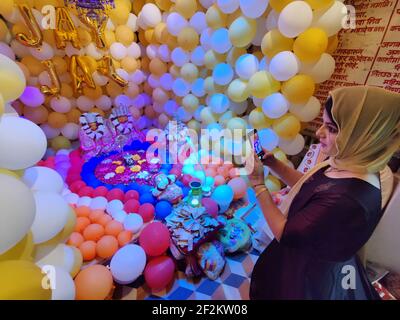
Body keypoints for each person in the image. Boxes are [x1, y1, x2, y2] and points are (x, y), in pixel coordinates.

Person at [248, 86, 400, 300]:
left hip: (311, 279)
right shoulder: (347, 161)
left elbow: (285, 233)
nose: (319, 132)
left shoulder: (347, 198)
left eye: (331, 128)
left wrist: (258, 186)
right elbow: (308, 185)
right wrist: (273, 164)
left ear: (363, 134)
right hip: (300, 260)